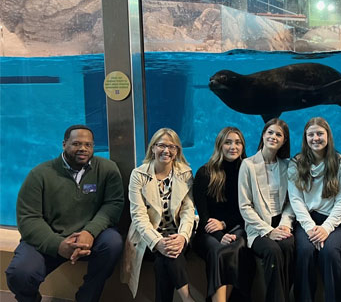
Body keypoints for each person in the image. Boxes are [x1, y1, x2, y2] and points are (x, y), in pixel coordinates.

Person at [5, 125, 124, 302]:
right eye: (76, 143)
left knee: (113, 242)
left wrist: (90, 232)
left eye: (88, 145)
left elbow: (113, 204)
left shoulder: (107, 169)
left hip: (89, 237)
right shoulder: (40, 174)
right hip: (50, 237)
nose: (83, 149)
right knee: (19, 274)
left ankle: (87, 297)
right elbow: (29, 219)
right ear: (64, 144)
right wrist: (58, 245)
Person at [123, 128, 197, 302]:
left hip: (178, 233)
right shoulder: (138, 175)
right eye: (162, 145)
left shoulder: (185, 173)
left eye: (172, 147)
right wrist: (157, 242)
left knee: (168, 256)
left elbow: (188, 211)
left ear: (177, 151)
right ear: (153, 148)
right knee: (167, 257)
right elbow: (138, 216)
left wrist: (182, 237)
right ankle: (188, 299)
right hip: (148, 236)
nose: (167, 150)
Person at [286, 117, 341, 302]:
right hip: (307, 220)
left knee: (330, 252)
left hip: (334, 221)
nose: (316, 138)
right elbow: (296, 200)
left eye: (320, 133)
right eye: (311, 134)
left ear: (328, 136)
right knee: (305, 252)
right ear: (305, 137)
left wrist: (326, 228)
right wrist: (310, 227)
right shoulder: (296, 163)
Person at [192, 127, 253, 302]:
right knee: (219, 250)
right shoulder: (205, 173)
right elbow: (203, 215)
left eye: (237, 142)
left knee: (234, 249)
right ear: (219, 145)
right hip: (208, 231)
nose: (233, 146)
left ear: (243, 146)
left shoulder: (247, 171)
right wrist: (220, 234)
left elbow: (247, 210)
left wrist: (224, 224)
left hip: (237, 227)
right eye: (228, 142)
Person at [239, 118, 296, 302]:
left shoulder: (286, 166)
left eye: (278, 134)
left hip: (280, 222)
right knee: (273, 251)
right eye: (270, 132)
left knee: (288, 245)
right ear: (263, 135)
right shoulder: (247, 165)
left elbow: (290, 202)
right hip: (258, 228)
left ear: (284, 141)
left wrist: (285, 225)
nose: (273, 136)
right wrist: (268, 231)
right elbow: (245, 206)